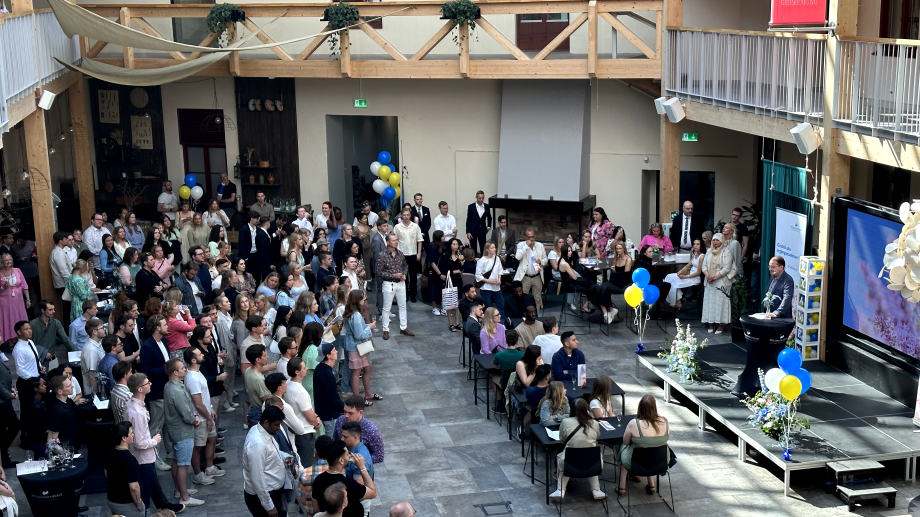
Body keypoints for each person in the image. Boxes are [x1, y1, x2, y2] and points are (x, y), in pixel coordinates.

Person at [124, 373, 185, 514]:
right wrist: (154, 440)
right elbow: (139, 443)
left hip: (144, 458)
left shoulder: (133, 404)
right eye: (147, 383)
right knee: (145, 496)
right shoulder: (137, 413)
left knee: (152, 485)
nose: (150, 384)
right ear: (140, 389)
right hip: (143, 459)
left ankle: (164, 505)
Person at [163, 357, 205, 506]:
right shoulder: (176, 391)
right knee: (183, 464)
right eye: (182, 368)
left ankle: (179, 490)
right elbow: (186, 414)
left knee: (177, 460)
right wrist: (195, 419)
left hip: (177, 430)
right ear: (175, 372)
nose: (185, 369)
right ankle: (185, 497)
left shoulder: (171, 385)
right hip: (183, 432)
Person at [550, 398, 605, 501]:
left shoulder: (565, 422)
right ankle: (596, 490)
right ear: (586, 410)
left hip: (570, 462)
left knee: (562, 457)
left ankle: (560, 490)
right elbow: (596, 437)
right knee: (590, 457)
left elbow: (562, 439)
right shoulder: (594, 423)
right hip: (593, 463)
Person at [183, 346, 223, 487]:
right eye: (200, 354)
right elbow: (198, 404)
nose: (203, 355)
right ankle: (198, 474)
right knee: (198, 447)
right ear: (193, 360)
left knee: (212, 438)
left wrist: (210, 407)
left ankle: (210, 467)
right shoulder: (192, 378)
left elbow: (204, 395)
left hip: (206, 414)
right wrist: (208, 417)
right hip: (200, 418)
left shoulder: (198, 372)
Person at [243, 405, 293, 517]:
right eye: (276, 425)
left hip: (274, 493)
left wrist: (285, 457)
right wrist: (269, 506)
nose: (278, 428)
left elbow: (272, 453)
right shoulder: (257, 444)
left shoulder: (263, 431)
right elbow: (257, 477)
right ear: (266, 423)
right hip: (264, 498)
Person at [140, 315, 174, 471]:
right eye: (164, 324)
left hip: (166, 389)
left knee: (167, 423)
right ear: (157, 328)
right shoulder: (147, 346)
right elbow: (146, 371)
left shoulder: (164, 341)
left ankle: (169, 451)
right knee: (157, 426)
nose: (167, 326)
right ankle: (155, 457)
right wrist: (166, 369)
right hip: (156, 391)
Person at [618, 394, 669, 496]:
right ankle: (651, 485)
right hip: (660, 462)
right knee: (650, 451)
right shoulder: (665, 421)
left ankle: (622, 487)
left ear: (640, 407)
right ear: (654, 407)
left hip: (636, 463)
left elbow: (626, 442)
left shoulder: (634, 423)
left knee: (623, 449)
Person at [312, 438, 377, 517]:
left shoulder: (318, 480)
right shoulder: (347, 484)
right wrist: (362, 467)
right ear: (341, 460)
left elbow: (316, 508)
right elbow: (373, 493)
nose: (349, 456)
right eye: (347, 455)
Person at [341, 291, 378, 403]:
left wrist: (366, 326)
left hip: (356, 346)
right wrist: (369, 328)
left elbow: (357, 329)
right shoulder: (356, 315)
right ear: (357, 300)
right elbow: (359, 334)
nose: (364, 300)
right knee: (356, 373)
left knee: (367, 368)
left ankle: (368, 394)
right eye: (362, 298)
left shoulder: (352, 313)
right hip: (356, 347)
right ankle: (357, 400)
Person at [284, 357, 321, 466]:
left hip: (295, 430)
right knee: (305, 466)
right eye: (304, 368)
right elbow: (310, 416)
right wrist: (316, 422)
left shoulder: (288, 383)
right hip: (304, 433)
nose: (307, 369)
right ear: (297, 372)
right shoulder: (300, 392)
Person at [376, 233, 414, 340]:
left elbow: (405, 265)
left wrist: (404, 274)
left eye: (396, 240)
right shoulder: (382, 255)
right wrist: (393, 275)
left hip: (401, 283)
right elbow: (378, 272)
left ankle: (403, 327)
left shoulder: (400, 253)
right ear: (388, 242)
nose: (396, 242)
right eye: (393, 240)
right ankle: (385, 329)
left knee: (402, 306)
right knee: (386, 308)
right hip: (389, 284)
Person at [105, 421, 146, 517]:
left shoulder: (110, 453)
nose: (133, 435)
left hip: (112, 499)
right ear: (124, 438)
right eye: (131, 433)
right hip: (127, 504)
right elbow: (134, 487)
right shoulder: (130, 460)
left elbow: (106, 472)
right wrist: (139, 503)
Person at [331, 395, 384, 464]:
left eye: (350, 413)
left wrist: (356, 459)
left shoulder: (371, 431)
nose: (346, 415)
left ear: (360, 412)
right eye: (345, 412)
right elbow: (335, 441)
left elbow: (379, 456)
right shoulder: (340, 421)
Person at [701, 233, 735, 334]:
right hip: (709, 280)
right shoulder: (709, 252)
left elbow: (726, 268)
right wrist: (708, 276)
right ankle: (711, 324)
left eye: (717, 240)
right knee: (710, 302)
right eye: (714, 240)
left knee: (721, 303)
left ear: (722, 241)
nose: (715, 242)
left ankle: (720, 325)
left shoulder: (727, 252)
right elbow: (704, 266)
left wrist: (715, 277)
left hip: (721, 280)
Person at [30, 299, 76, 365]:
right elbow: (29, 343)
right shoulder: (33, 324)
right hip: (38, 360)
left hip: (52, 359)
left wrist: (76, 351)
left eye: (53, 309)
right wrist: (42, 352)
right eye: (50, 310)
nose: (53, 311)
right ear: (43, 311)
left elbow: (64, 338)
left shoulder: (56, 323)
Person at [393, 208, 423, 304]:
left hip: (413, 254)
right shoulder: (397, 227)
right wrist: (395, 253)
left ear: (410, 215)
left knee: (413, 276)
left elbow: (419, 240)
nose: (406, 217)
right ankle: (405, 295)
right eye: (404, 215)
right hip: (401, 254)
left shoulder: (415, 226)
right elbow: (395, 240)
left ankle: (413, 295)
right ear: (401, 216)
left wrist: (419, 253)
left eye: (407, 215)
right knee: (403, 276)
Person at [664, 238, 705, 308]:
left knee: (674, 283)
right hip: (688, 274)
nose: (695, 246)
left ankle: (674, 302)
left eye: (698, 244)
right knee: (669, 277)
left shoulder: (702, 256)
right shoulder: (695, 254)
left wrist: (685, 276)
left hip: (694, 278)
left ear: (701, 246)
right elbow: (689, 265)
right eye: (694, 244)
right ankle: (678, 301)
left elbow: (698, 272)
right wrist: (680, 272)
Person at [315, 342, 345, 435]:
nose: (336, 351)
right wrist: (343, 408)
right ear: (327, 355)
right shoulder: (326, 373)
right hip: (329, 414)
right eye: (334, 350)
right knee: (331, 438)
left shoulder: (319, 368)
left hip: (323, 411)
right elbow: (333, 396)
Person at [513, 228, 547, 311]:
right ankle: (524, 315)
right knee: (523, 298)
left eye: (533, 237)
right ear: (525, 237)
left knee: (537, 298)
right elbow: (518, 257)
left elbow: (545, 259)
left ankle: (537, 315)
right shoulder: (521, 245)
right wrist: (526, 246)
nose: (531, 239)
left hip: (537, 276)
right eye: (529, 237)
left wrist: (541, 261)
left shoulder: (540, 245)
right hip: (525, 277)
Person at [47, 374, 81, 449]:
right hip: (65, 450)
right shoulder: (58, 412)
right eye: (68, 386)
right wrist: (64, 453)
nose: (72, 386)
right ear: (60, 391)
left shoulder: (68, 401)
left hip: (72, 445)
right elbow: (51, 442)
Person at [0, 253, 28, 340]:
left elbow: (24, 285)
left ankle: (21, 338)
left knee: (19, 318)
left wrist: (28, 299)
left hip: (18, 301)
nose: (8, 262)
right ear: (2, 262)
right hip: (5, 302)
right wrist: (3, 286)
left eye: (10, 260)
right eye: (6, 260)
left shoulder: (17, 270)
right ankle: (10, 341)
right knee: (8, 320)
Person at [475, 241, 505, 319]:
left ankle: (502, 320)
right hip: (486, 286)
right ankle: (489, 320)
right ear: (487, 250)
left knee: (500, 303)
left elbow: (500, 270)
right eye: (492, 248)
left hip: (496, 286)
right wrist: (489, 281)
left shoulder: (497, 258)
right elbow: (478, 275)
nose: (494, 249)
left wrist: (499, 279)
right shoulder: (482, 260)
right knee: (487, 305)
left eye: (494, 247)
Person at [0, 338, 18, 468]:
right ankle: (2, 453)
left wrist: (10, 388)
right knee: (14, 425)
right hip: (2, 401)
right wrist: (8, 394)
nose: (1, 339)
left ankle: (3, 455)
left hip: (4, 397)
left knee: (3, 427)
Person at [466, 190, 492, 256]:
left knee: (483, 248)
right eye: (479, 198)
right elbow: (468, 220)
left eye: (482, 198)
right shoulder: (471, 207)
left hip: (482, 231)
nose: (481, 200)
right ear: (476, 197)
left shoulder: (487, 206)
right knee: (473, 249)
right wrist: (468, 232)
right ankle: (473, 260)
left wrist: (489, 226)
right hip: (473, 230)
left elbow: (489, 217)